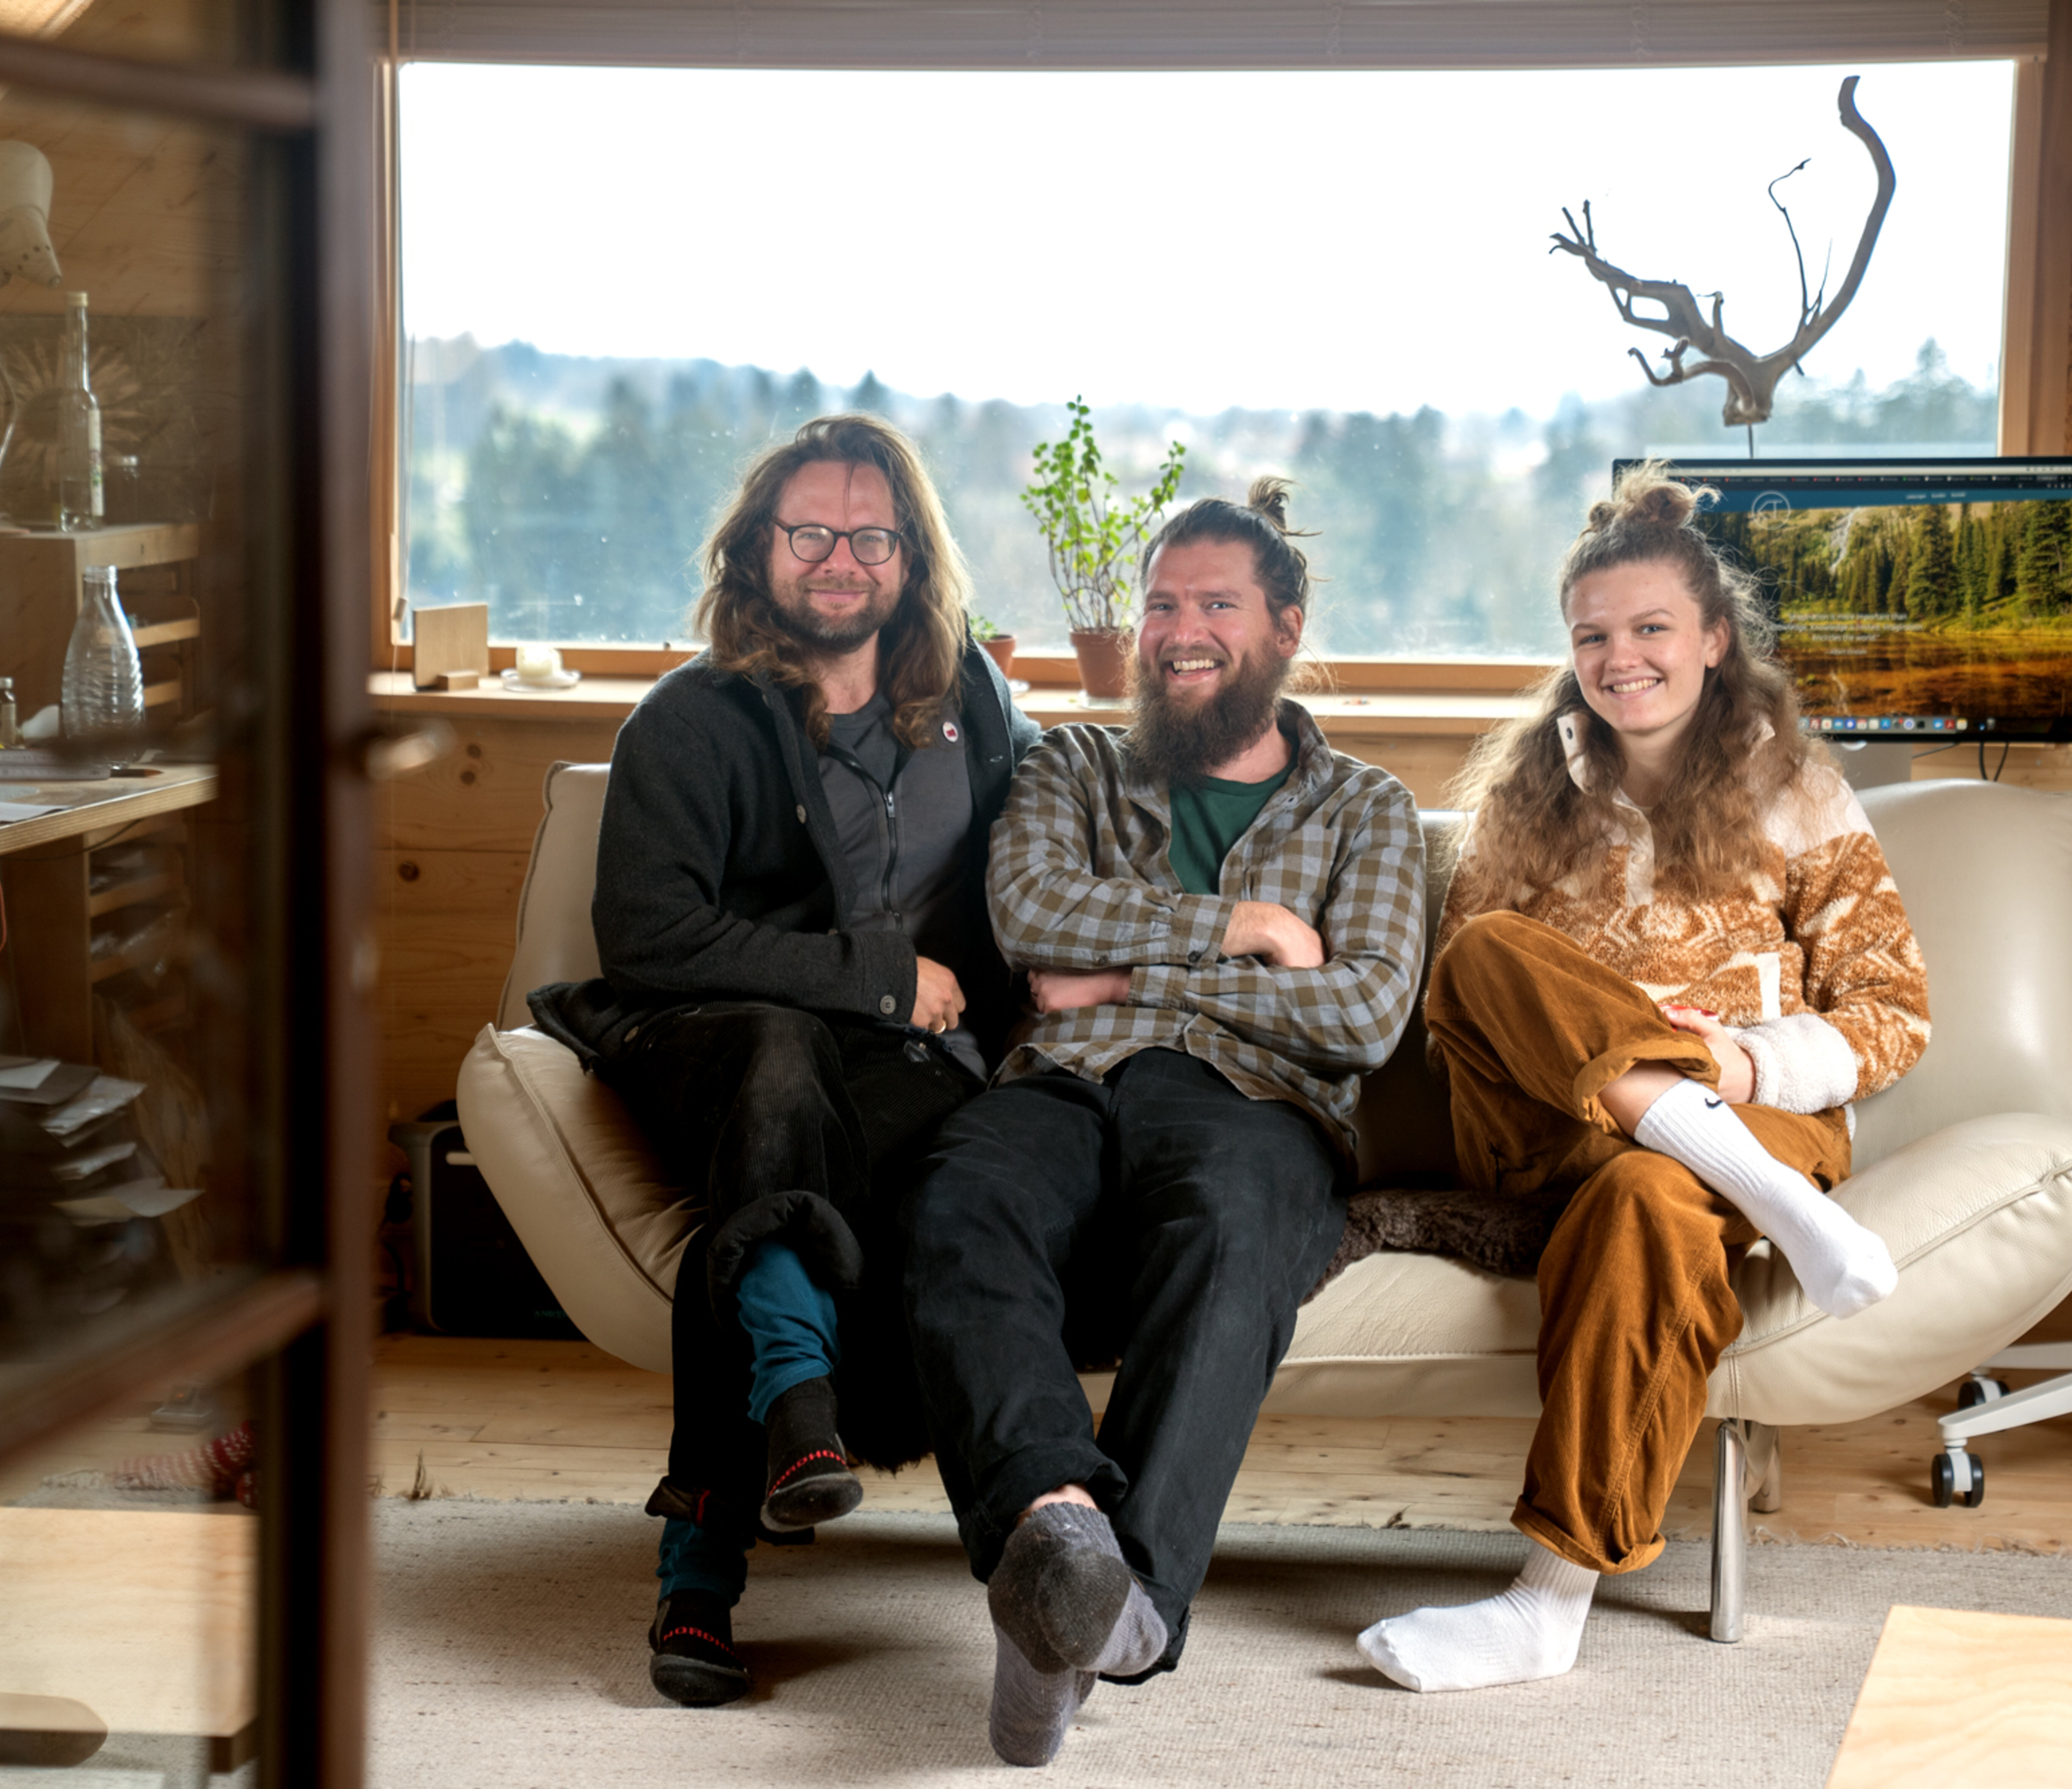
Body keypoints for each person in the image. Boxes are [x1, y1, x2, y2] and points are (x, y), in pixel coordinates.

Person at [1355, 464, 1930, 1695]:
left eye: (1652, 628)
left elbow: (1892, 1010)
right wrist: (1634, 1044)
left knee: (1652, 1197)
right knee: (1489, 949)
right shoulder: (1525, 797)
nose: (1622, 660)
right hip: (1548, 1134)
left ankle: (1546, 1604)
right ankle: (1757, 1184)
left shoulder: (1801, 791)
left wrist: (1740, 1059)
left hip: (1752, 1113)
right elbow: (1467, 1001)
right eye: (1593, 637)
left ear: (1715, 638)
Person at [900, 479, 1427, 1767]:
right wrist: (1246, 929)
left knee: (1232, 1232)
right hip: (1066, 1075)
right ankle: (1062, 1532)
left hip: (1256, 1099)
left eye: (1217, 606)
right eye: (1161, 605)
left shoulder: (1366, 807)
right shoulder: (1072, 764)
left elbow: (1363, 1011)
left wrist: (1127, 971)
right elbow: (1031, 915)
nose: (1181, 632)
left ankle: (1108, 1601)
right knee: (960, 1195)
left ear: (1286, 626)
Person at [527, 414, 1041, 1708]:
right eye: (809, 532)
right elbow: (651, 935)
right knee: (777, 1051)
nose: (839, 560)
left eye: (871, 536)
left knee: (753, 1218)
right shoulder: (688, 719)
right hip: (708, 1037)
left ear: (912, 557)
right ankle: (794, 1407)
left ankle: (706, 1558)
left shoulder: (972, 699)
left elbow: (1046, 841)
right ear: (757, 546)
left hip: (906, 1066)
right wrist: (874, 976)